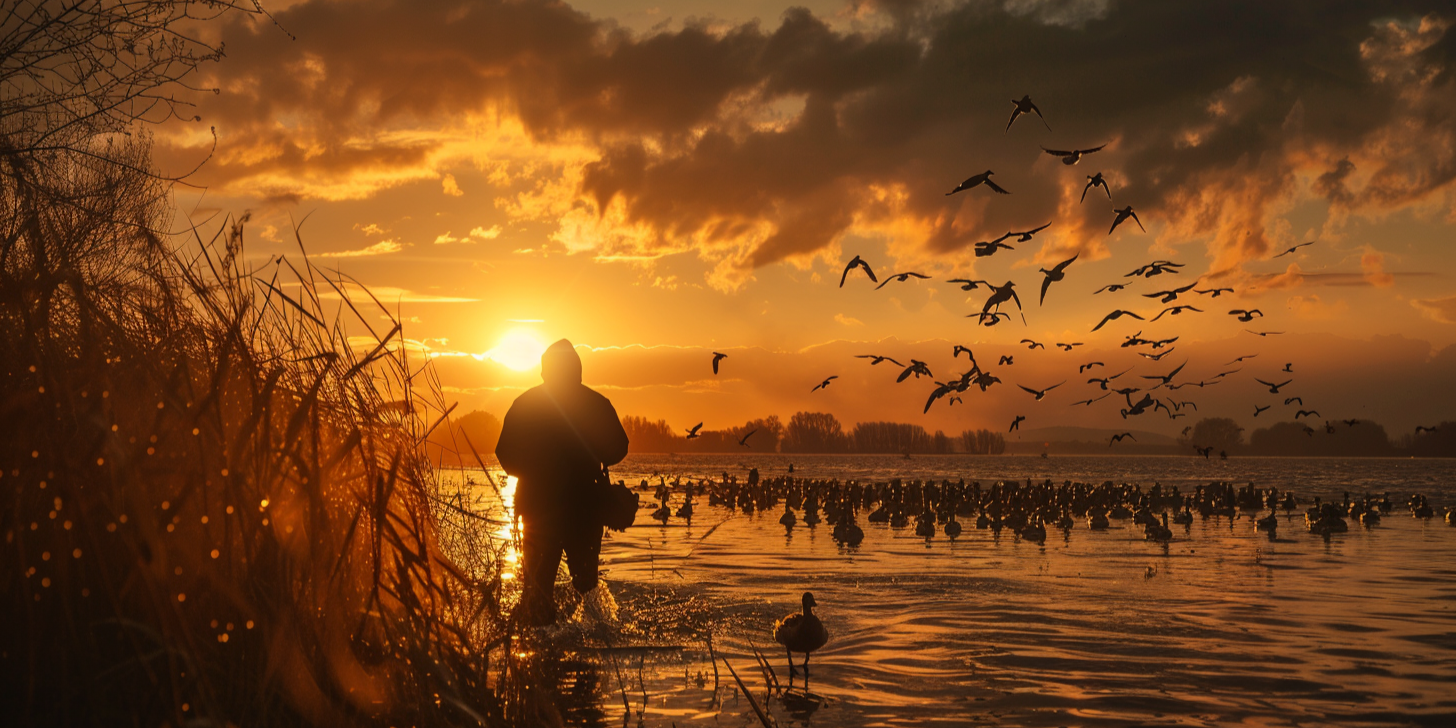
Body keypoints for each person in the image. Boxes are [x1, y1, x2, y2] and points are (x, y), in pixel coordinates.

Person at [496, 339, 629, 626]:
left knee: (536, 589)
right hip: (584, 510)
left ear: (545, 370)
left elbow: (504, 453)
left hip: (538, 509)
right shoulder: (596, 404)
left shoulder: (525, 404)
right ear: (576, 370)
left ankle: (537, 645)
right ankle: (594, 638)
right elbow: (620, 447)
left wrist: (535, 472)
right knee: (586, 586)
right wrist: (595, 453)